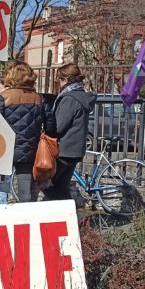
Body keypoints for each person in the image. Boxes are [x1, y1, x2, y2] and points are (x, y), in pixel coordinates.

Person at [0, 61, 53, 204]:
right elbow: (51, 127)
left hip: (0, 149)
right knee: (25, 192)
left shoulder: (2, 98)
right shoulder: (39, 99)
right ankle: (25, 222)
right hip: (28, 150)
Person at [44, 63, 96, 200]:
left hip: (64, 150)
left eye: (59, 79)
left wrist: (47, 129)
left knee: (44, 183)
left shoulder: (69, 99)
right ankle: (68, 217)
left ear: (65, 80)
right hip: (75, 150)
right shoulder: (82, 97)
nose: (58, 82)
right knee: (61, 186)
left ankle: (60, 215)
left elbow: (59, 126)